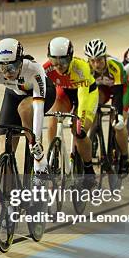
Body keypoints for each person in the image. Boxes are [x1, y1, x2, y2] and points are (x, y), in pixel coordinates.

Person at [0, 38, 55, 174]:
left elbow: (38, 109)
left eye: (12, 67)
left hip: (40, 94)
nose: (8, 72)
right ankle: (11, 186)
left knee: (24, 109)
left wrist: (36, 141)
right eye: (3, 67)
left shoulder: (34, 69)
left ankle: (39, 158)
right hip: (14, 94)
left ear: (21, 62)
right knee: (5, 149)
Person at [44, 37, 98, 186]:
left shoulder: (81, 68)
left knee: (79, 133)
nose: (59, 65)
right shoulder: (46, 68)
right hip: (65, 93)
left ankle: (88, 169)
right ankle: (53, 156)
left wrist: (80, 119)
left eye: (63, 61)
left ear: (71, 57)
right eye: (54, 61)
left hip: (86, 94)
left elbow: (83, 98)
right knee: (54, 117)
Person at [84, 38, 129, 175]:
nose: (96, 64)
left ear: (105, 57)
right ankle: (93, 137)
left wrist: (118, 115)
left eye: (99, 60)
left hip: (120, 90)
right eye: (92, 61)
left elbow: (117, 95)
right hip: (102, 89)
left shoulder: (115, 65)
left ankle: (124, 157)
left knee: (118, 124)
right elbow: (87, 93)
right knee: (93, 108)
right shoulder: (86, 68)